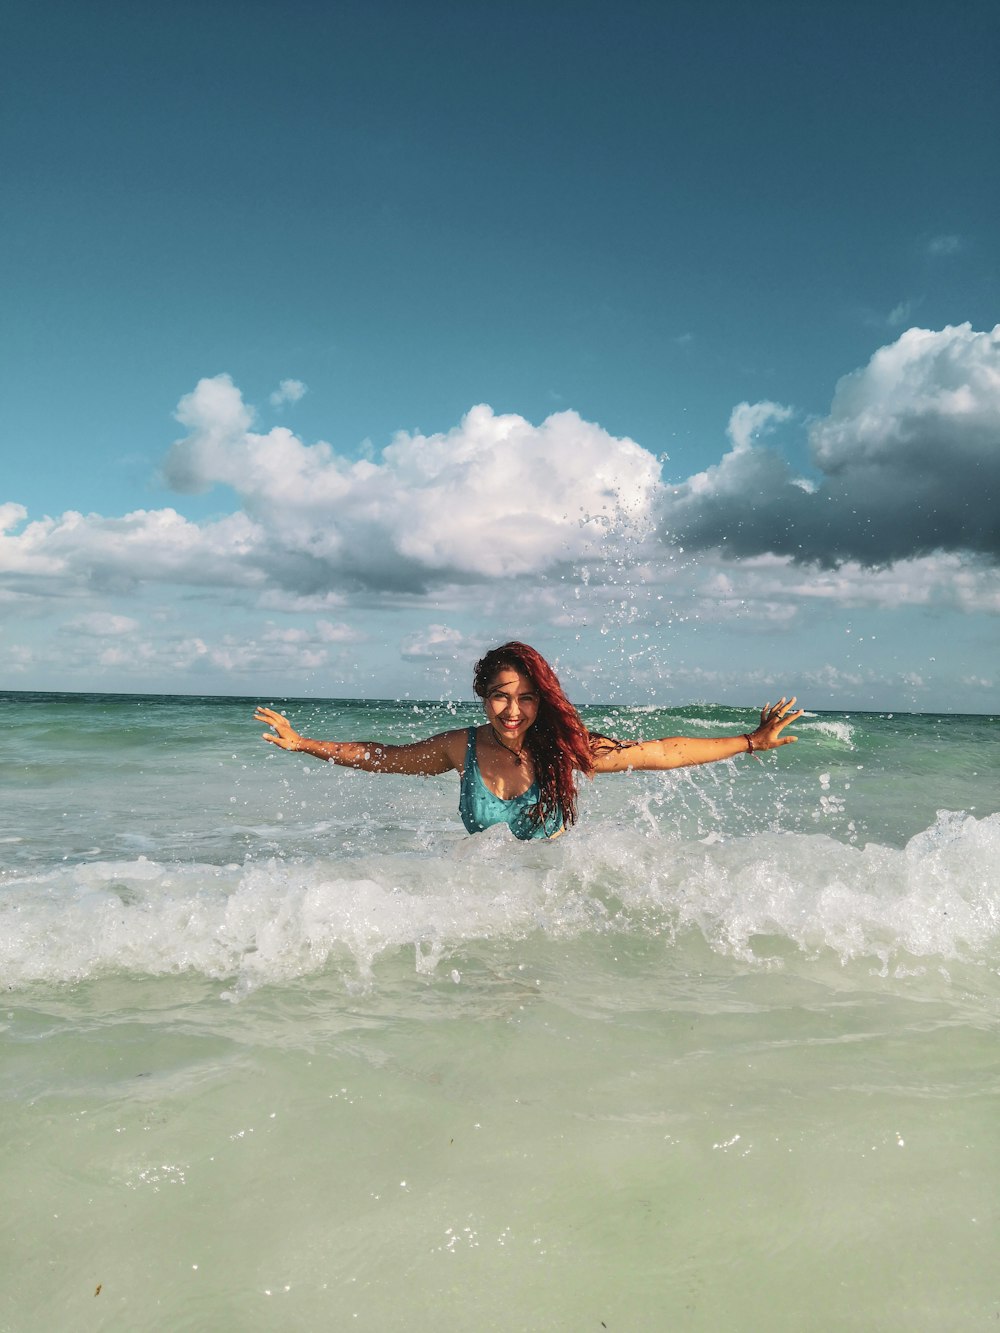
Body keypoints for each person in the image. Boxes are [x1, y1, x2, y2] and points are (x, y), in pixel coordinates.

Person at [254, 641, 803, 841]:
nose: (512, 711)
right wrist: (306, 744)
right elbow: (386, 758)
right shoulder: (458, 748)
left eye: (526, 698)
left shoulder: (567, 750)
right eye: (499, 696)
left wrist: (750, 742)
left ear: (543, 699)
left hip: (549, 902)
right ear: (482, 695)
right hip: (481, 902)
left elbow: (662, 752)